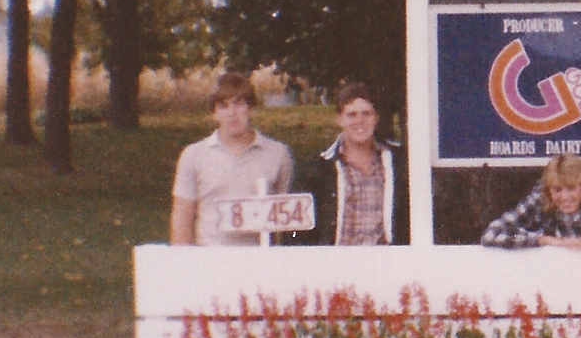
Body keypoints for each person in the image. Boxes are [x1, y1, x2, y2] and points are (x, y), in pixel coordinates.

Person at [171, 73, 295, 246]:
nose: (232, 113)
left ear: (250, 109)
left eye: (239, 104)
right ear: (214, 113)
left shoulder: (278, 154)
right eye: (223, 106)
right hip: (210, 259)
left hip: (260, 261)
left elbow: (289, 221)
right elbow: (182, 219)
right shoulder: (193, 155)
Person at [281, 82, 409, 246]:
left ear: (376, 117)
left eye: (366, 113)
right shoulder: (317, 169)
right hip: (336, 263)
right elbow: (295, 231)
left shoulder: (399, 162)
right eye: (352, 115)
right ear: (339, 119)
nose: (360, 121)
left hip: (386, 262)